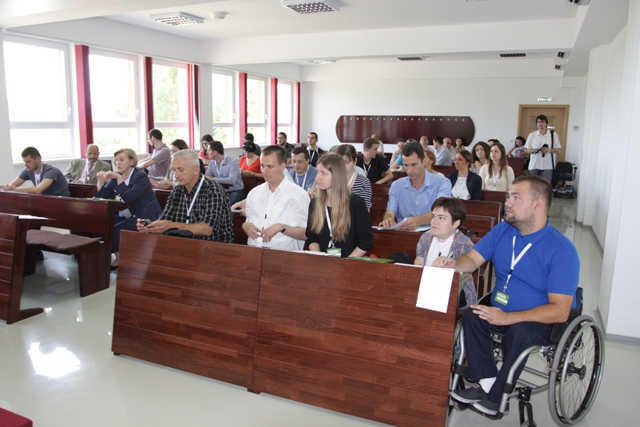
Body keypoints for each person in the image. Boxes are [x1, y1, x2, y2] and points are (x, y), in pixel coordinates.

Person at [435, 175, 579, 417]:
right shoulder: (503, 231)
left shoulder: (562, 250)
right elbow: (471, 260)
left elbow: (560, 310)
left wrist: (506, 319)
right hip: (502, 307)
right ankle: (488, 382)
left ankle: (496, 397)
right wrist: (453, 263)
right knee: (472, 316)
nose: (507, 203)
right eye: (507, 197)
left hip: (540, 319)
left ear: (538, 205)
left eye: (516, 197)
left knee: (519, 333)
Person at [137, 149, 234, 243]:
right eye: (174, 170)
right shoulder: (177, 190)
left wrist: (171, 226)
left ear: (195, 169)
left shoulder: (213, 190)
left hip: (214, 248)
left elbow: (207, 229)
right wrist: (151, 226)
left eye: (181, 170)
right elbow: (165, 219)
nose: (176, 175)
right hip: (183, 246)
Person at [96, 148, 162, 267]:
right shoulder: (118, 177)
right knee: (101, 226)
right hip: (126, 215)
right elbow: (102, 197)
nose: (118, 163)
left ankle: (116, 258)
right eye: (116, 160)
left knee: (116, 231)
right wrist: (100, 181)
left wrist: (119, 179)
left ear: (131, 161)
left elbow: (130, 197)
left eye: (122, 160)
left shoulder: (140, 176)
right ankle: (115, 255)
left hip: (143, 217)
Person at [242, 145, 310, 251]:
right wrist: (245, 226)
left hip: (283, 254)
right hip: (254, 250)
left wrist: (281, 227)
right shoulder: (254, 193)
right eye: (262, 166)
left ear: (283, 166)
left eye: (270, 166)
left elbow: (306, 233)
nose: (264, 171)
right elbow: (249, 221)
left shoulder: (298, 195)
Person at [306, 154, 374, 257]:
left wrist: (346, 263)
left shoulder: (356, 204)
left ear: (337, 176)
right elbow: (312, 238)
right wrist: (320, 258)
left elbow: (365, 242)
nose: (317, 178)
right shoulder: (315, 203)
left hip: (349, 263)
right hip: (323, 262)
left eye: (323, 173)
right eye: (317, 172)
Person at [414, 197, 476, 308]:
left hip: (455, 291)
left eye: (441, 218)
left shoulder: (464, 244)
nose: (434, 221)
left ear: (456, 223)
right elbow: (418, 266)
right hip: (426, 287)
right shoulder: (426, 238)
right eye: (433, 216)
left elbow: (462, 280)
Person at [380, 141, 451, 231]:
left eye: (414, 164)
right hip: (405, 235)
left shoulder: (442, 183)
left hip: (433, 233)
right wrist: (388, 219)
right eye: (406, 165)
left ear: (424, 161)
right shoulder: (397, 185)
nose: (410, 170)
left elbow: (440, 212)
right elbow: (390, 212)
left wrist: (417, 220)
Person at [1, 147, 70, 196]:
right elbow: (12, 185)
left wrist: (15, 189)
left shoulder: (51, 171)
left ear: (38, 159)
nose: (26, 165)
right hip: (45, 201)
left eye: (28, 161)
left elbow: (37, 190)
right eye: (24, 162)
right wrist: (7, 186)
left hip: (60, 202)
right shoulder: (28, 170)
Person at [205, 140, 245, 205]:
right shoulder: (212, 163)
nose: (207, 152)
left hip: (235, 191)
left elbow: (231, 180)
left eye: (209, 150)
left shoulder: (232, 162)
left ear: (215, 152)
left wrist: (213, 179)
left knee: (224, 204)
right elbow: (206, 178)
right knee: (209, 203)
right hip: (220, 191)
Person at [524, 115, 561, 184]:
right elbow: (526, 150)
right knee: (533, 186)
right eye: (538, 122)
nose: (540, 124)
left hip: (548, 165)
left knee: (545, 186)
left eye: (542, 121)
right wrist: (531, 151)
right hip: (534, 165)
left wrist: (549, 150)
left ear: (546, 123)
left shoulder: (553, 134)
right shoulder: (532, 135)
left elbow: (558, 149)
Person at [335, 144, 372, 209]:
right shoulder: (331, 179)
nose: (343, 166)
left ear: (355, 161)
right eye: (340, 162)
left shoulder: (363, 182)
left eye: (347, 162)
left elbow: (365, 209)